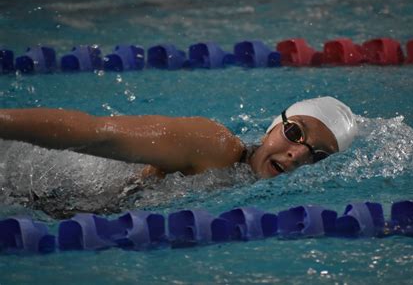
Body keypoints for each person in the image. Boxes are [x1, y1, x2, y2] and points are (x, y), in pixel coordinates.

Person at [0, 96, 357, 179]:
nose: (297, 154)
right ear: (271, 128)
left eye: (318, 155)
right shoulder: (214, 146)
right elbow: (94, 133)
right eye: (294, 133)